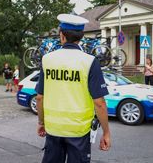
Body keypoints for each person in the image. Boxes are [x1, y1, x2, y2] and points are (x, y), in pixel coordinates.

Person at [35, 14, 111, 163]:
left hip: (53, 129)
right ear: (80, 37)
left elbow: (39, 97)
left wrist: (41, 123)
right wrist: (106, 132)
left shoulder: (47, 59)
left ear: (62, 36)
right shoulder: (90, 62)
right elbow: (99, 103)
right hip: (79, 132)